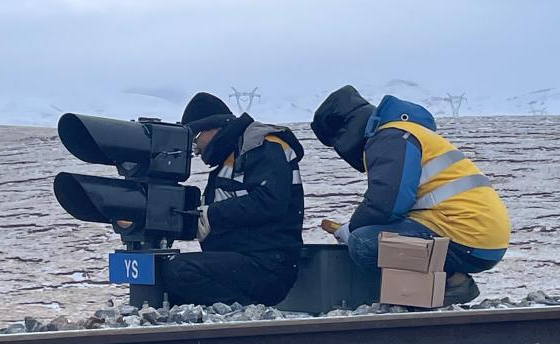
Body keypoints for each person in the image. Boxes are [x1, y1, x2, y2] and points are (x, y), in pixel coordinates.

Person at [311, 85, 509, 305]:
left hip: (467, 237)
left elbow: (387, 202)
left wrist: (350, 230)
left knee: (364, 242)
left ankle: (448, 284)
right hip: (480, 235)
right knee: (372, 234)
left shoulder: (390, 137)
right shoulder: (405, 133)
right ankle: (439, 283)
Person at [160, 92, 305, 306]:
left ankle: (242, 312)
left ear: (213, 127)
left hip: (268, 266)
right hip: (244, 261)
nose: (196, 149)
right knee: (165, 278)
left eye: (195, 139)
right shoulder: (229, 160)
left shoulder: (264, 147)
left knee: (180, 270)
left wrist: (211, 215)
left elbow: (270, 201)